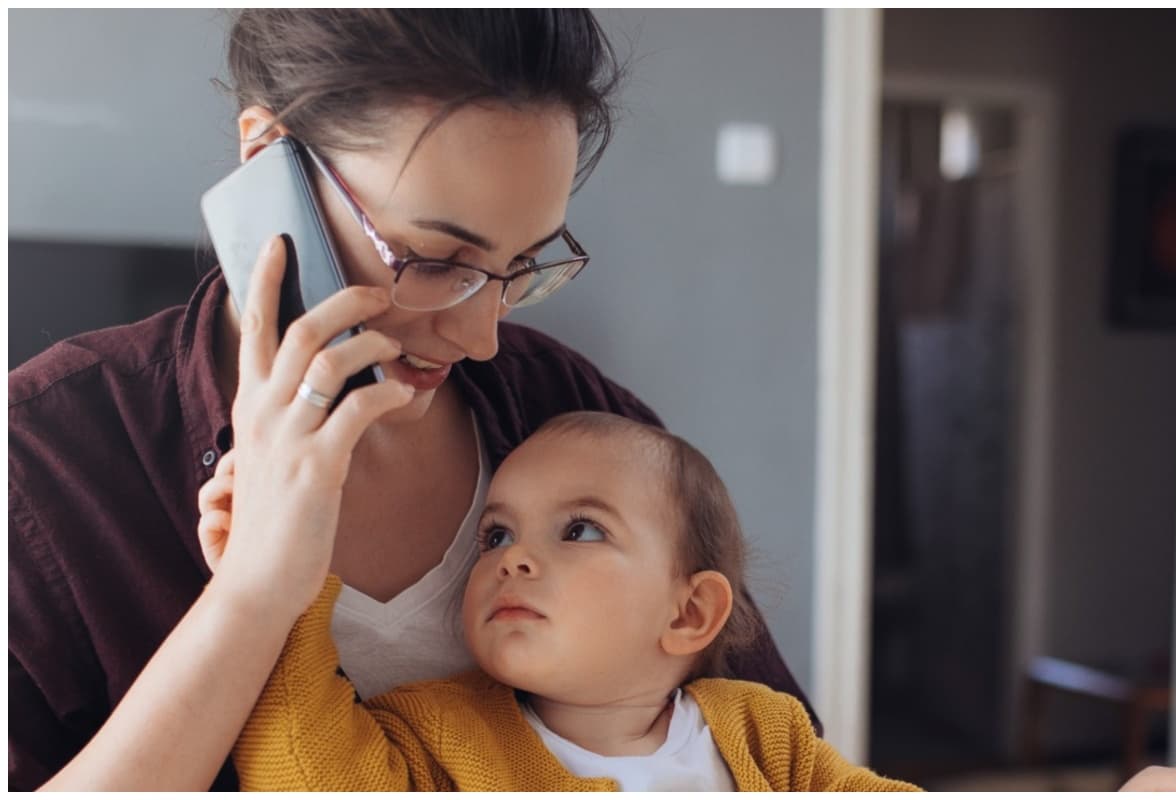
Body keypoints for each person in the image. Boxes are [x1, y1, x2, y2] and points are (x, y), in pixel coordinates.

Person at [10, 10, 810, 791]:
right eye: (432, 259)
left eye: (521, 265)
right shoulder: (45, 463)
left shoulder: (567, 411)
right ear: (265, 160)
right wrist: (254, 595)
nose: (480, 336)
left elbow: (773, 753)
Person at [204, 410, 921, 791]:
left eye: (580, 529)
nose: (512, 556)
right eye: (494, 535)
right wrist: (284, 585)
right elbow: (310, 773)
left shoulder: (769, 734)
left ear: (689, 613)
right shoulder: (440, 735)